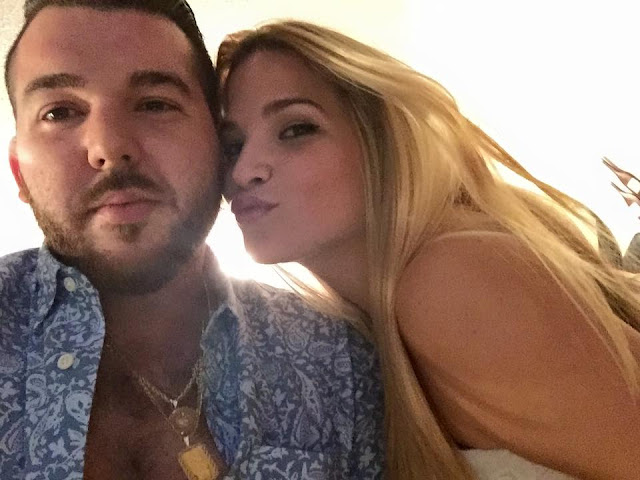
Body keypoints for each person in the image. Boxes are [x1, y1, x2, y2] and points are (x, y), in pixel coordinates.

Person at [217, 20, 640, 480]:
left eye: (296, 129)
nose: (243, 170)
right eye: (233, 145)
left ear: (381, 138)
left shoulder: (449, 280)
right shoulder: (359, 334)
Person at [0, 3, 383, 479]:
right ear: (19, 171)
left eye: (154, 104)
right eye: (59, 112)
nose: (109, 147)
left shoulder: (338, 361)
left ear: (218, 145)